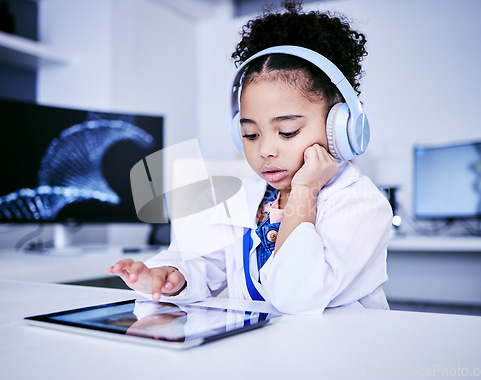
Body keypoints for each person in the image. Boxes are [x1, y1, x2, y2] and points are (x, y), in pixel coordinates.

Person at [107, 0, 393, 314]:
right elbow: (203, 261)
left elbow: (296, 295)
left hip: (339, 354)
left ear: (339, 129)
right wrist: (172, 276)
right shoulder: (245, 196)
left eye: (287, 132)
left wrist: (304, 192)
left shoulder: (360, 205)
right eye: (250, 134)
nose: (265, 150)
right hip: (260, 354)